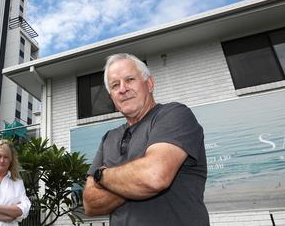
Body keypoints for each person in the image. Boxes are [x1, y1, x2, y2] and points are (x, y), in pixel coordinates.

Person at [83, 53, 210, 226]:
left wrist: (101, 175)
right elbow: (90, 203)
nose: (123, 89)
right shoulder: (109, 138)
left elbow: (154, 176)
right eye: (115, 85)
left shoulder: (174, 115)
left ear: (149, 84)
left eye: (129, 79)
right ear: (112, 96)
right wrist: (133, 182)